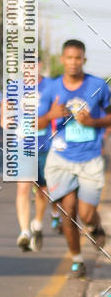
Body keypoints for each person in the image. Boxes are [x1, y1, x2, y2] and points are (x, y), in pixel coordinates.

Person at [38, 39, 110, 278]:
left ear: (84, 60)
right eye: (69, 58)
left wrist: (93, 122)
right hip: (61, 158)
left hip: (90, 158)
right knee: (68, 210)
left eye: (77, 58)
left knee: (87, 214)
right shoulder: (52, 89)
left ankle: (95, 224)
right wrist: (50, 114)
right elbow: (34, 124)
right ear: (62, 60)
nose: (73, 62)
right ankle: (77, 260)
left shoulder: (98, 85)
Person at [15, 62, 53, 252]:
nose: (30, 68)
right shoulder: (15, 86)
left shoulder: (51, 86)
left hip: (45, 145)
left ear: (40, 64)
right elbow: (6, 113)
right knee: (23, 188)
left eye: (34, 63)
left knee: (42, 190)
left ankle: (37, 223)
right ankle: (24, 232)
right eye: (26, 64)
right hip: (23, 145)